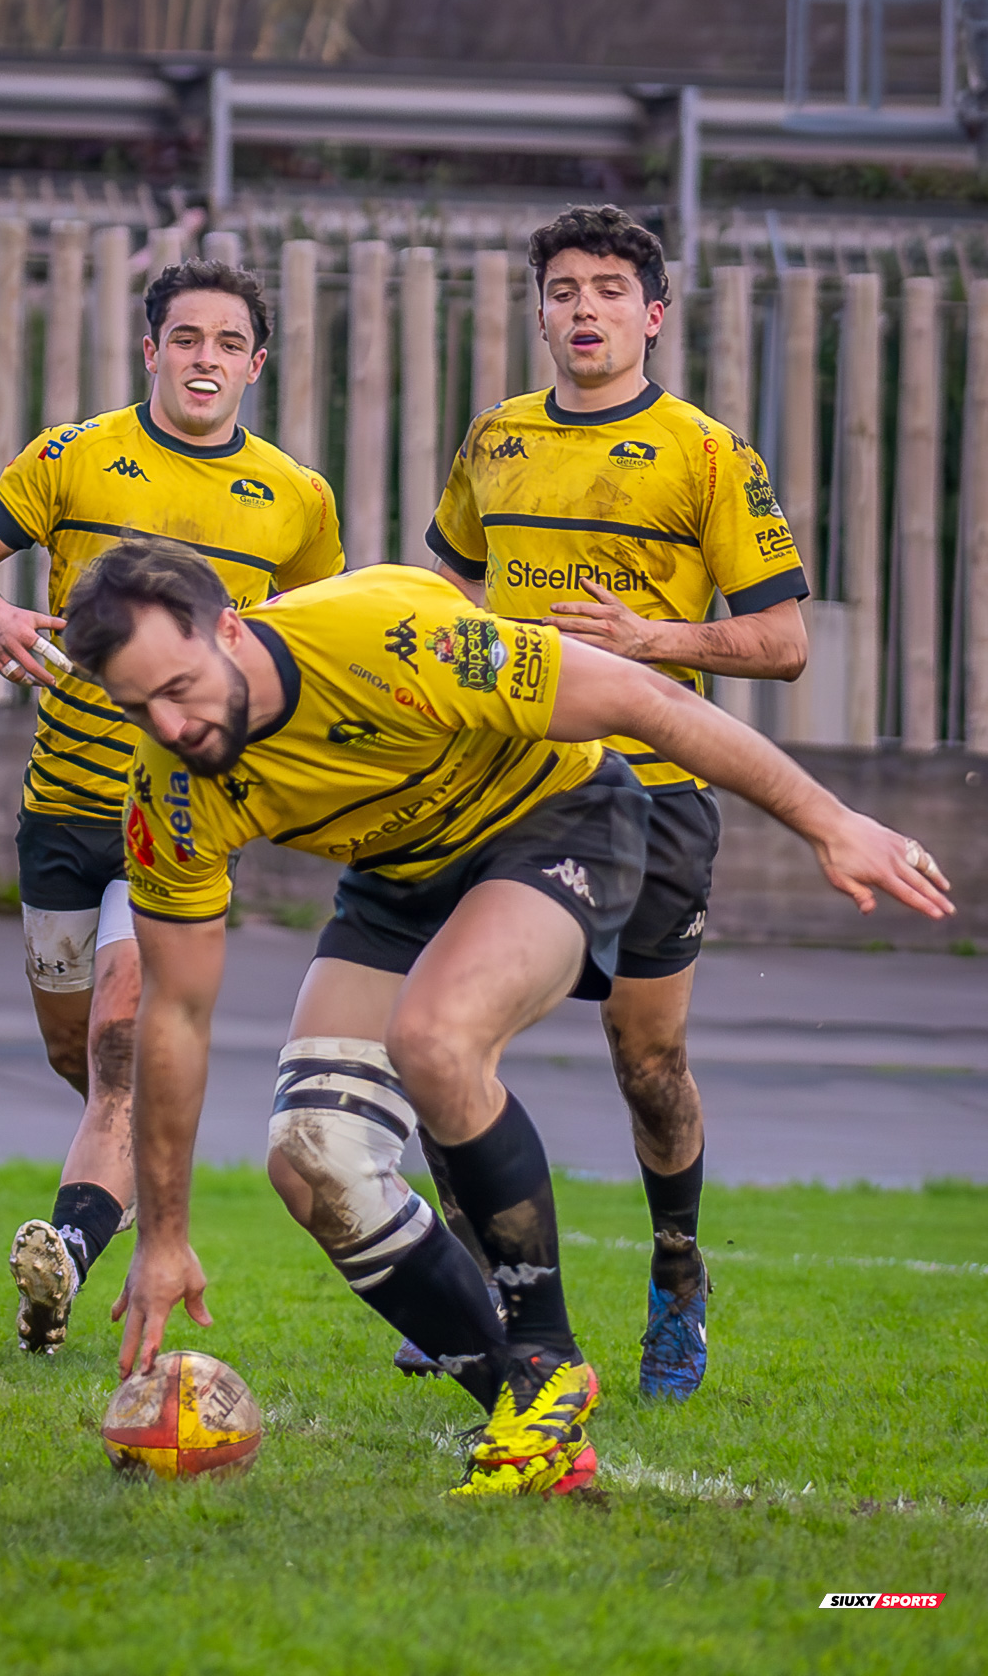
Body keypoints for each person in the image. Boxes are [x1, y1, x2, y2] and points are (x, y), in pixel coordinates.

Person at [59, 539, 950, 1498]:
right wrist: (162, 1237)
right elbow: (177, 1016)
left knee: (436, 1040)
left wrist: (830, 822)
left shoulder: (394, 637)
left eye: (182, 687)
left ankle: (547, 1356)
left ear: (229, 627)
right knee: (314, 1158)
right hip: (402, 874)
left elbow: (649, 702)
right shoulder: (168, 790)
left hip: (559, 816)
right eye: (136, 705)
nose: (171, 724)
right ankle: (533, 1428)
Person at [0, 259, 343, 1354]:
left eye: (228, 342)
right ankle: (104, 1187)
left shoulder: (296, 499)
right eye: (185, 338)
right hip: (58, 812)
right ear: (150, 350)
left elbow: (306, 645)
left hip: (182, 818)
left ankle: (62, 1257)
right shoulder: (72, 457)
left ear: (257, 362)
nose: (206, 358)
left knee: (120, 1036)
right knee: (86, 1062)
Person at [422, 203, 809, 1400]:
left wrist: (655, 636)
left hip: (657, 796)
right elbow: (444, 583)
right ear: (537, 311)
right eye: (560, 289)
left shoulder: (704, 452)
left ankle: (676, 1279)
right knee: (445, 1037)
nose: (581, 308)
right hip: (511, 784)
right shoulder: (495, 438)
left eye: (605, 289)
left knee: (644, 1058)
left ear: (650, 315)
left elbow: (785, 639)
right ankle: (486, 1289)